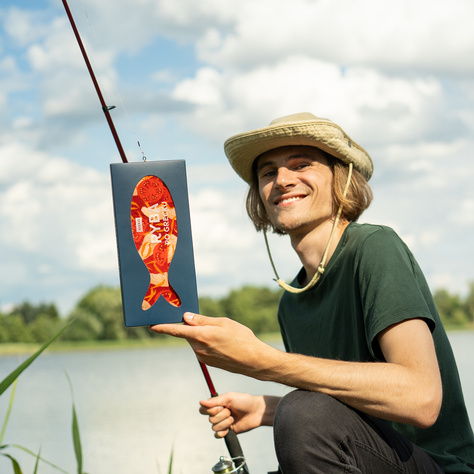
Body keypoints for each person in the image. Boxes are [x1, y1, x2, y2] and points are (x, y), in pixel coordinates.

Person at [151, 113, 474, 473]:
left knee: (302, 412)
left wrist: (264, 362)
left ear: (341, 177)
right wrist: (267, 409)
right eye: (268, 172)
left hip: (441, 466)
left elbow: (421, 399)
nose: (283, 180)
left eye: (301, 164)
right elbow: (340, 404)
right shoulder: (291, 303)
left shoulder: (374, 248)